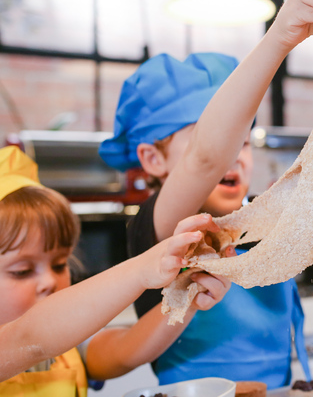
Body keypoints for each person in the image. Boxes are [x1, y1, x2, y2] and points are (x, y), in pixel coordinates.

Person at [99, 0, 313, 387]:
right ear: (152, 158)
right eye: (219, 142)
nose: (232, 157)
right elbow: (205, 160)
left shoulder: (262, 224)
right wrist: (279, 38)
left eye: (243, 142)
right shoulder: (163, 232)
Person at [0, 145, 229, 391]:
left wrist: (187, 298)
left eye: (58, 265)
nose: (49, 281)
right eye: (21, 271)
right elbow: (32, 337)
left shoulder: (71, 351)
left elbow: (126, 350)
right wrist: (142, 269)